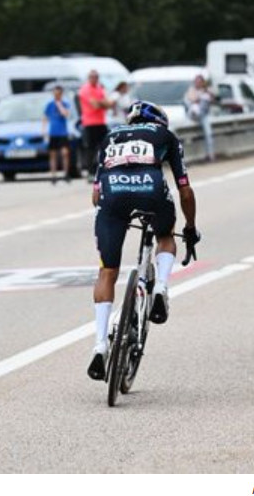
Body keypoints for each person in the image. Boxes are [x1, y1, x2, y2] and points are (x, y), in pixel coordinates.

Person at [87, 100, 200, 381]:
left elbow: (95, 196)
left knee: (107, 271)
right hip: (151, 190)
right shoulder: (166, 136)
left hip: (112, 197)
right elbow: (184, 189)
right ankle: (161, 287)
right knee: (165, 234)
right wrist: (190, 227)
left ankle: (100, 345)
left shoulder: (110, 136)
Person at [78, 70, 113, 180]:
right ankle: (90, 172)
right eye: (92, 77)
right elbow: (95, 105)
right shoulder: (85, 89)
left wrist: (101, 103)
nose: (95, 79)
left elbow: (109, 104)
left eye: (96, 77)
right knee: (90, 149)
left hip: (101, 122)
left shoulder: (99, 88)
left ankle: (104, 169)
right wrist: (102, 103)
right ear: (89, 78)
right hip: (89, 123)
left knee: (105, 146)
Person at [42, 85, 72, 184]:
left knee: (65, 153)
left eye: (58, 94)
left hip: (62, 132)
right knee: (53, 154)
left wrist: (59, 105)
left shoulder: (65, 104)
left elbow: (66, 114)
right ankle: (53, 175)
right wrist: (44, 130)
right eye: (55, 94)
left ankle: (66, 173)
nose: (56, 95)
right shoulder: (49, 104)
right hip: (53, 132)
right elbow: (45, 117)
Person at [184, 74, 216, 162]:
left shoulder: (206, 90)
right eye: (196, 82)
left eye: (200, 82)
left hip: (204, 115)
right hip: (192, 115)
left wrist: (207, 93)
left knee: (208, 134)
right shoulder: (191, 89)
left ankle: (210, 155)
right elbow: (191, 100)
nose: (198, 83)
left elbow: (212, 100)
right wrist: (199, 97)